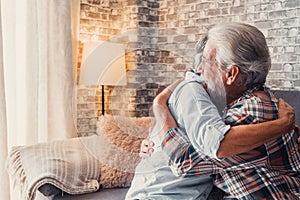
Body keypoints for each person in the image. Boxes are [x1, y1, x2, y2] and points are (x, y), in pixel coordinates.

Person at [125, 32, 296, 199]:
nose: (199, 70)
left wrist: (160, 106)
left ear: (231, 74)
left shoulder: (253, 111)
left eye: (206, 61)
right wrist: (156, 142)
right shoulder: (227, 105)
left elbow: (185, 162)